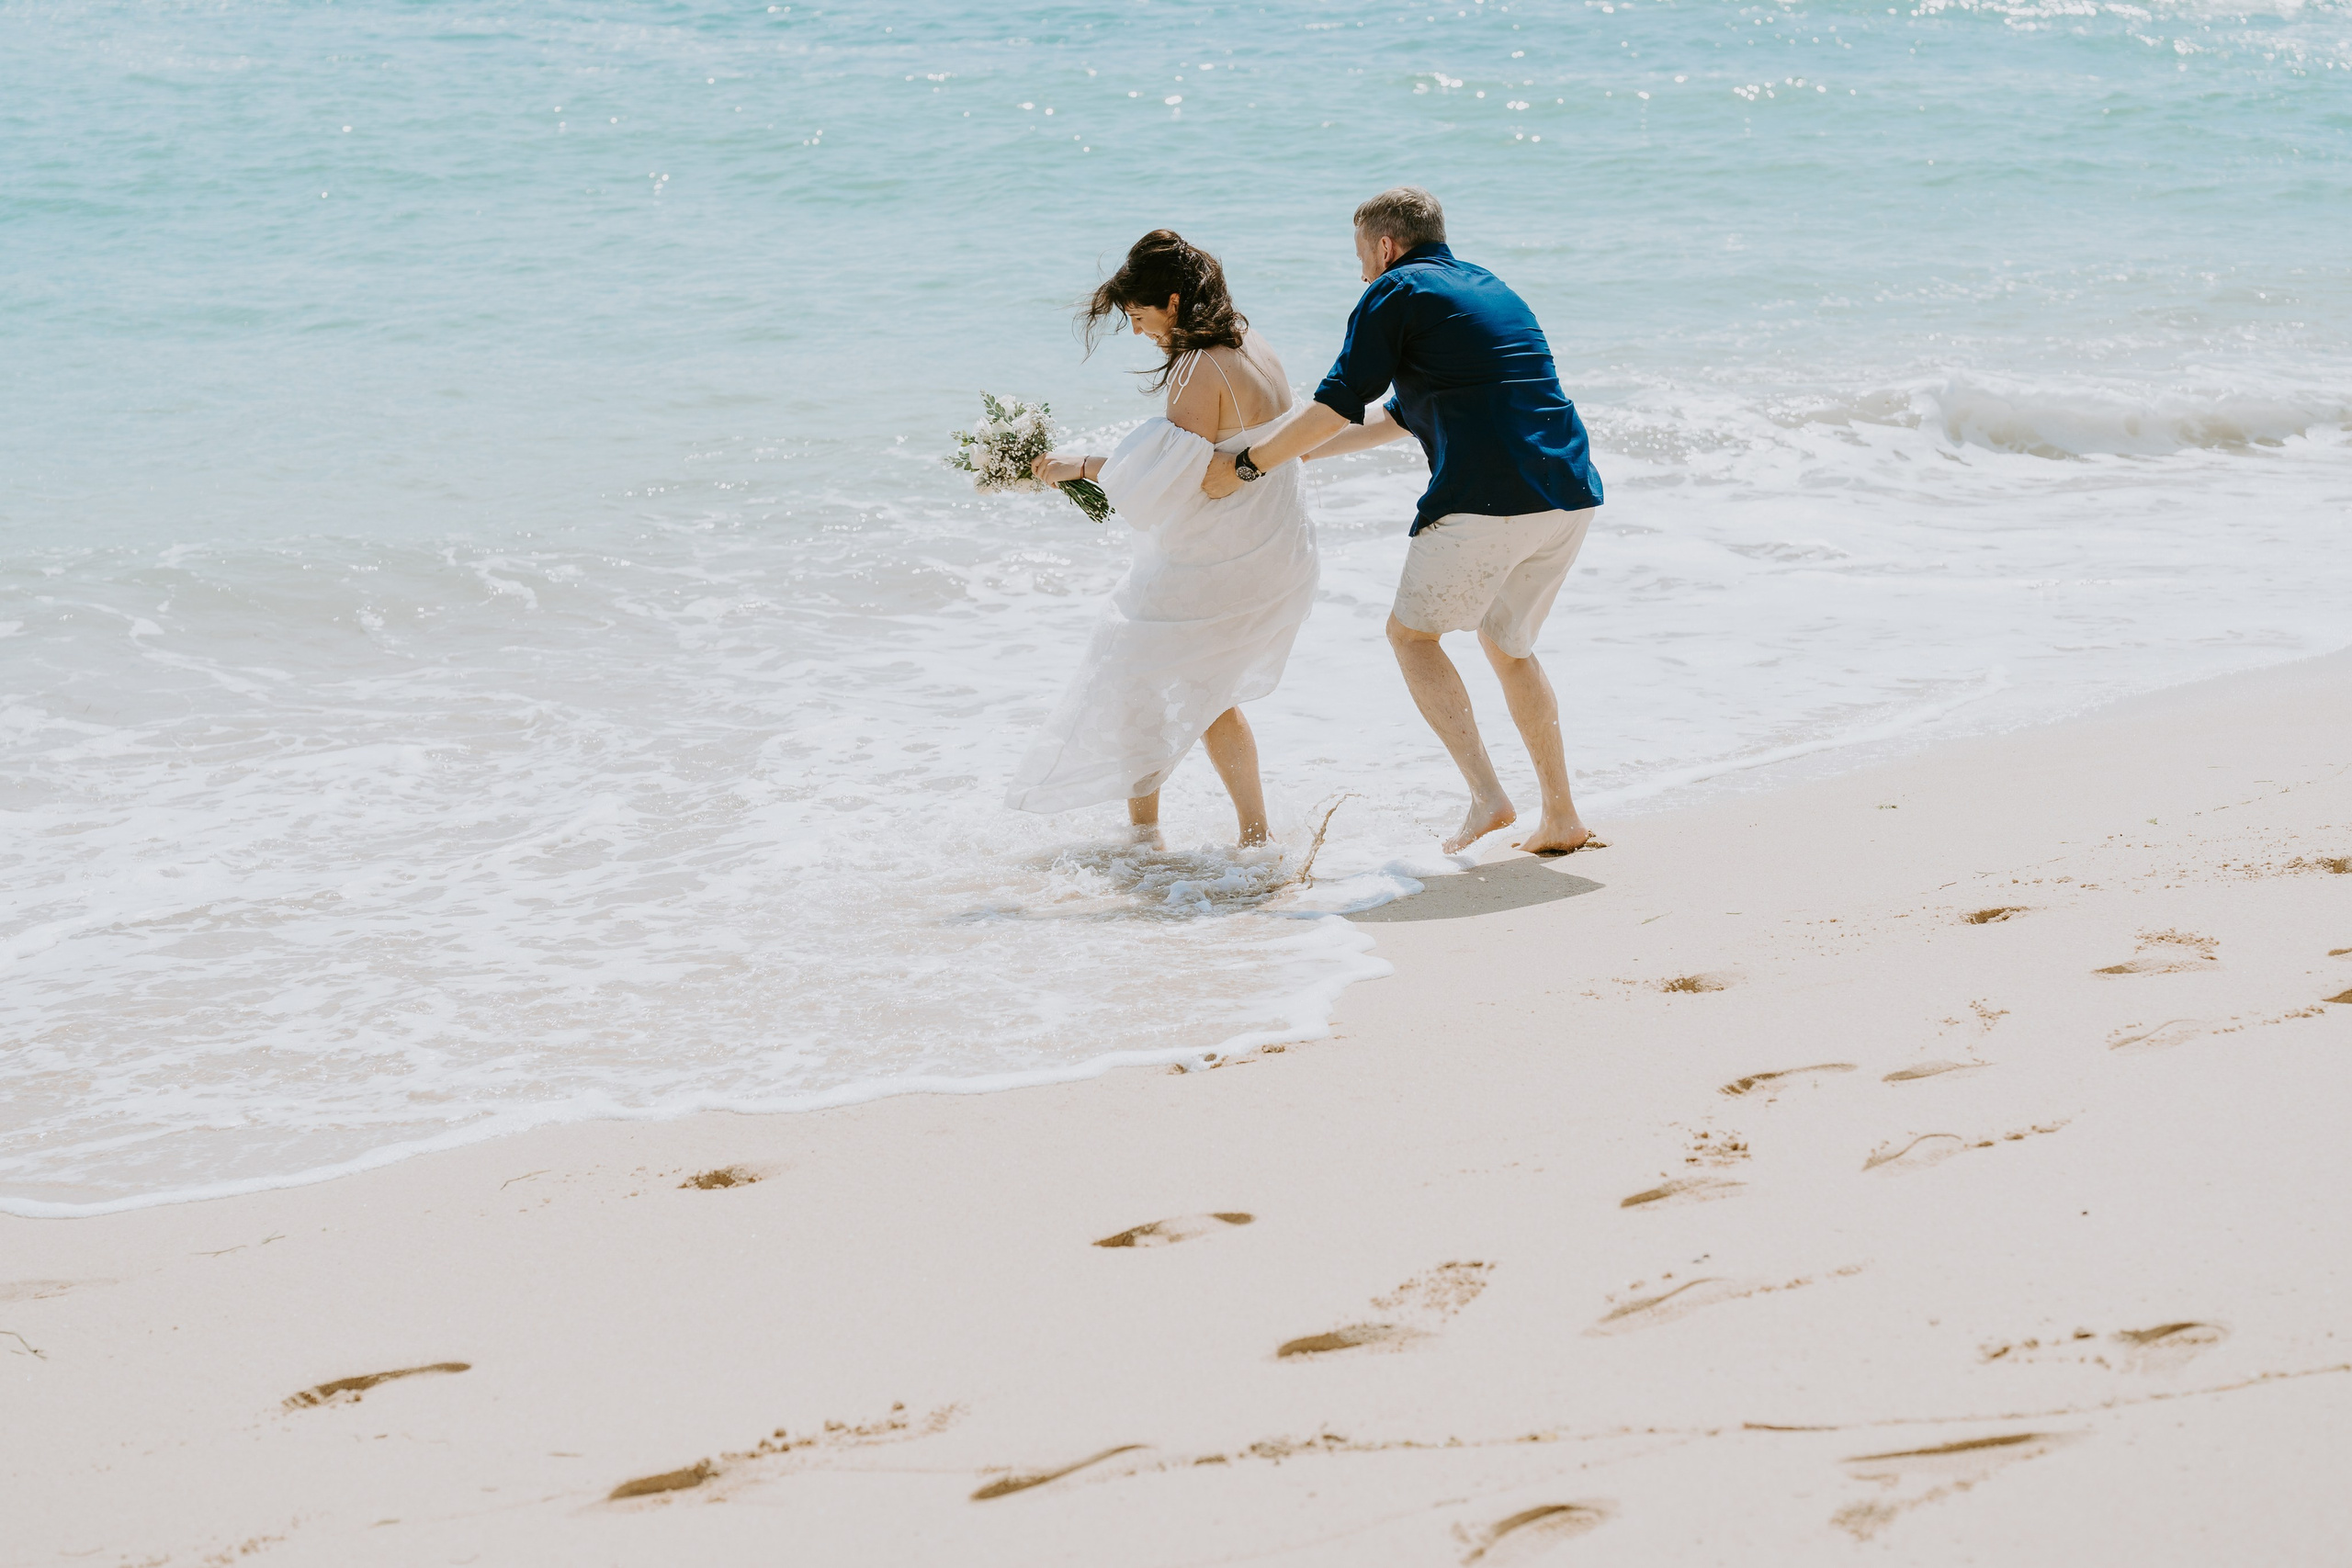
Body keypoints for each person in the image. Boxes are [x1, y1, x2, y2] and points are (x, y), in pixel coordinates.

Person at [1200, 187, 1604, 856]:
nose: (1359, 271)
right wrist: (1284, 459)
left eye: (1360, 255)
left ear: (1384, 246)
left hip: (1489, 496)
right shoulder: (1485, 287)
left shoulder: (1394, 291)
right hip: (1568, 492)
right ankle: (1561, 815)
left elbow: (1336, 404)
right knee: (1509, 645)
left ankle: (1487, 797)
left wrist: (1244, 465)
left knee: (1411, 638)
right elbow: (1390, 418)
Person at [1006, 230, 1318, 848]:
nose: (1138, 329)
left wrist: (1083, 464)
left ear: (1172, 302)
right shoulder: (1253, 343)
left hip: (1224, 560)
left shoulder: (1199, 367)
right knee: (1210, 689)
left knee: (1132, 675)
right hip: (1277, 548)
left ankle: (1145, 841)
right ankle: (1255, 837)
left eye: (1139, 315)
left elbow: (1177, 480)